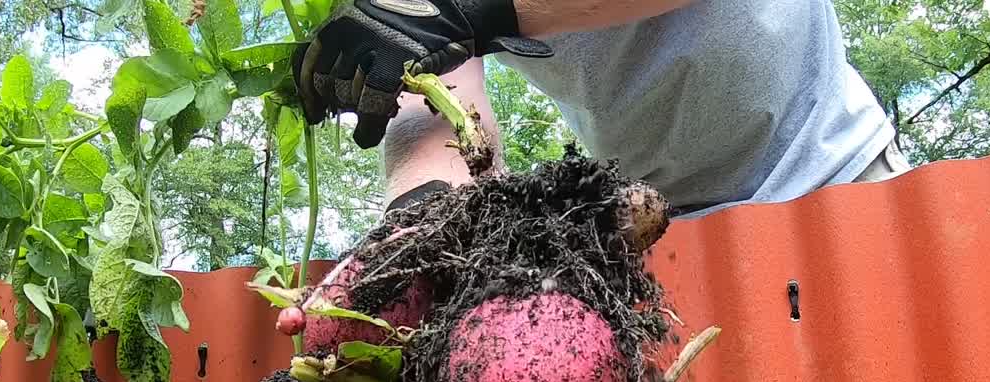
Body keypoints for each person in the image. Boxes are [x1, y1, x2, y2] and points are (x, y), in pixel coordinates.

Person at [291, 0, 910, 219]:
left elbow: (449, 13)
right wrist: (427, 223)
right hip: (660, 227)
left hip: (836, 170)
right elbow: (433, 88)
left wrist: (480, 5)